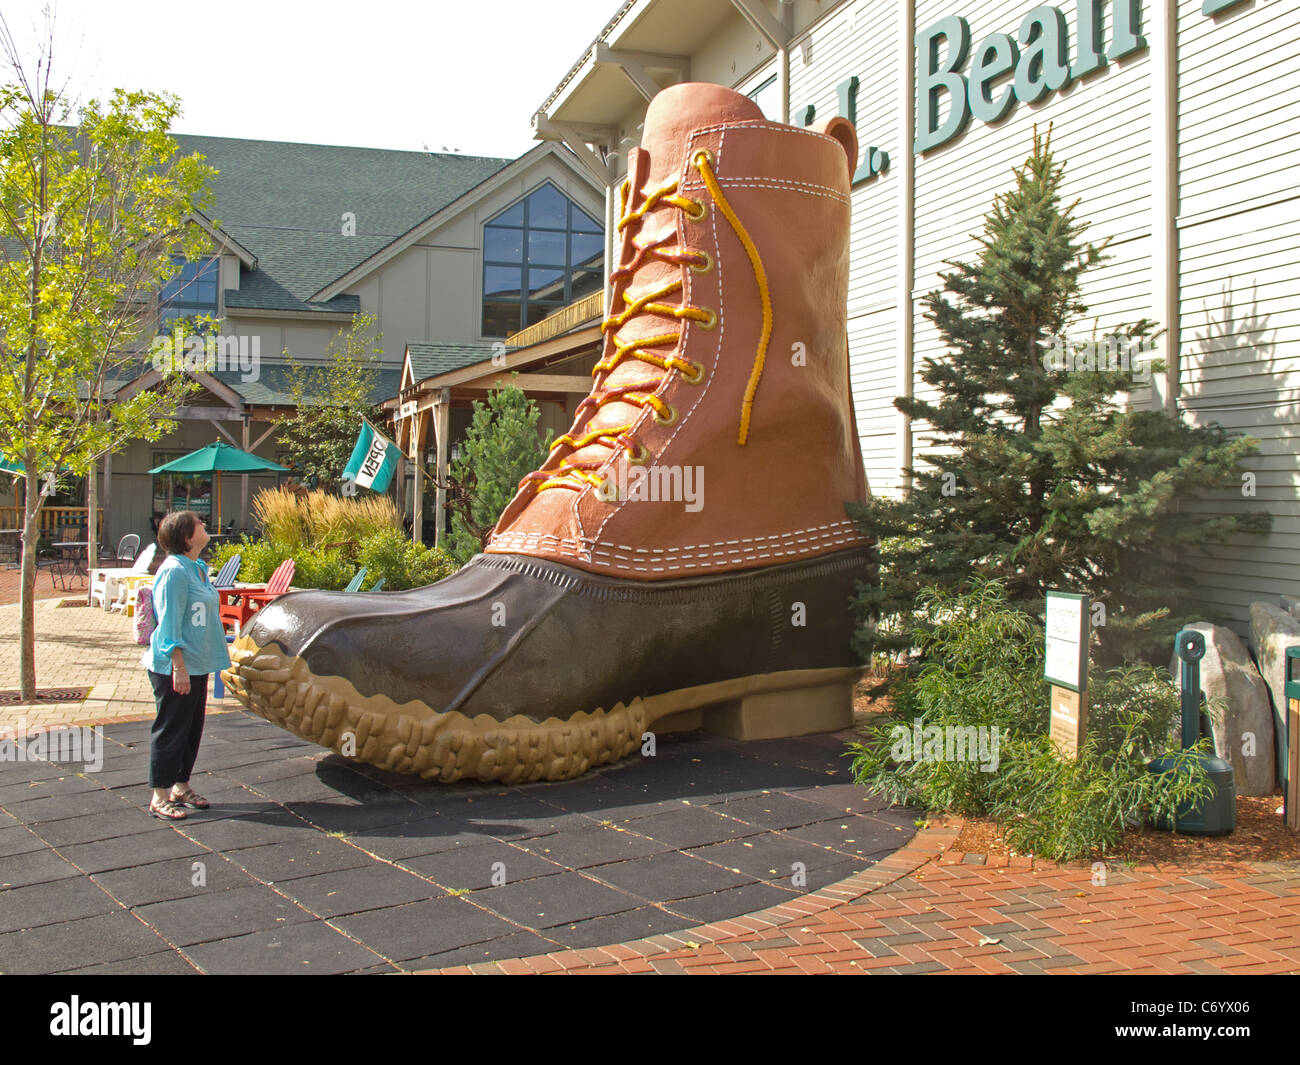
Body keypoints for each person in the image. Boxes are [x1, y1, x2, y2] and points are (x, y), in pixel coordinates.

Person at [142, 510, 230, 820]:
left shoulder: (197, 568)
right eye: (199, 524)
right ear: (187, 537)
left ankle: (180, 786)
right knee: (171, 730)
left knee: (191, 729)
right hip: (174, 667)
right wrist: (178, 666)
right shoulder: (174, 571)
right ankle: (159, 796)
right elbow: (168, 623)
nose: (205, 524)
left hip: (197, 663)